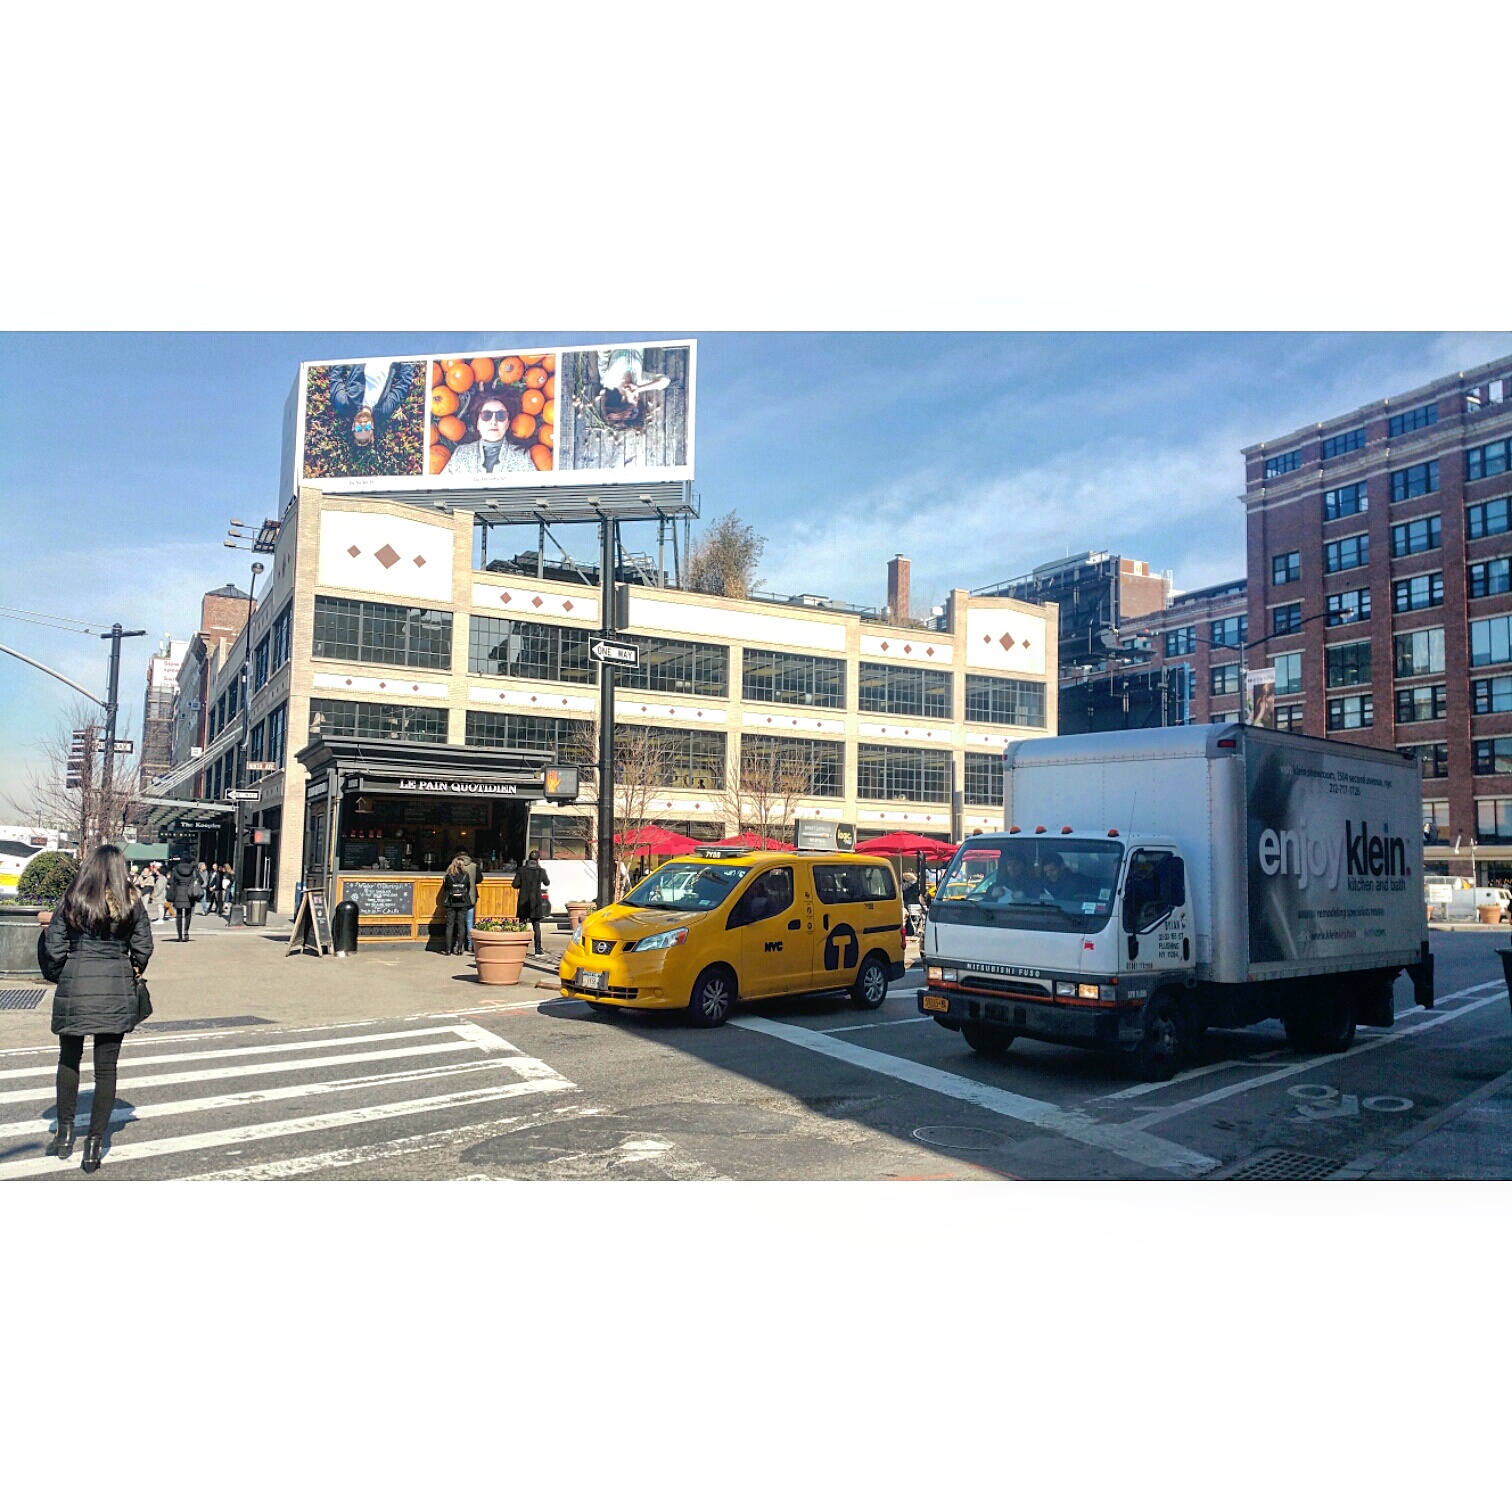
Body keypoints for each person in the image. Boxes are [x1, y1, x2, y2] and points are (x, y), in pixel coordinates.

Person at [41, 844, 153, 1174]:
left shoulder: (74, 896)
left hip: (76, 984)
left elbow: (55, 947)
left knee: (68, 1058)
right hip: (115, 987)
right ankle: (93, 1145)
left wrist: (69, 971)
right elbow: (143, 948)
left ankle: (63, 1135)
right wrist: (127, 965)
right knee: (106, 1068)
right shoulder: (131, 899)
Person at [327, 360, 422, 449]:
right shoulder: (383, 410)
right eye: (367, 428)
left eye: (359, 428)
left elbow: (335, 377)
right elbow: (403, 386)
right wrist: (407, 361)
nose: (363, 424)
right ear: (372, 427)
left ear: (353, 426)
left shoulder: (345, 405)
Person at [443, 394, 535, 474]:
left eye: (501, 415)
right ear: (478, 423)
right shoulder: (461, 454)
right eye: (486, 415)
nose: (493, 422)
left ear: (507, 424)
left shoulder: (522, 456)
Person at [595, 346, 670, 429]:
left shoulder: (607, 380)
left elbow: (603, 352)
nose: (637, 395)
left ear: (623, 399)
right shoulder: (639, 380)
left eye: (634, 397)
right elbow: (665, 381)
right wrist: (639, 388)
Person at [441, 855, 476, 956]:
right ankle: (460, 949)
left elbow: (445, 888)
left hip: (450, 902)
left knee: (450, 925)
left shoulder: (448, 876)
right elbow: (468, 888)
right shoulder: (466, 876)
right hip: (463, 901)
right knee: (461, 925)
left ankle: (448, 949)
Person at [514, 849, 547, 955]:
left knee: (521, 924)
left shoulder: (521, 870)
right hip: (536, 902)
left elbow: (514, 884)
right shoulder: (540, 871)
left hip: (523, 900)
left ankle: (518, 948)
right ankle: (538, 949)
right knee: (536, 926)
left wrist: (522, 885)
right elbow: (547, 882)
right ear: (538, 859)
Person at [166, 856, 200, 941]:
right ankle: (186, 931)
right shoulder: (193, 870)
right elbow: (201, 880)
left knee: (179, 914)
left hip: (179, 893)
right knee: (188, 914)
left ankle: (180, 936)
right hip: (190, 894)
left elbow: (170, 882)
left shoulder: (176, 869)